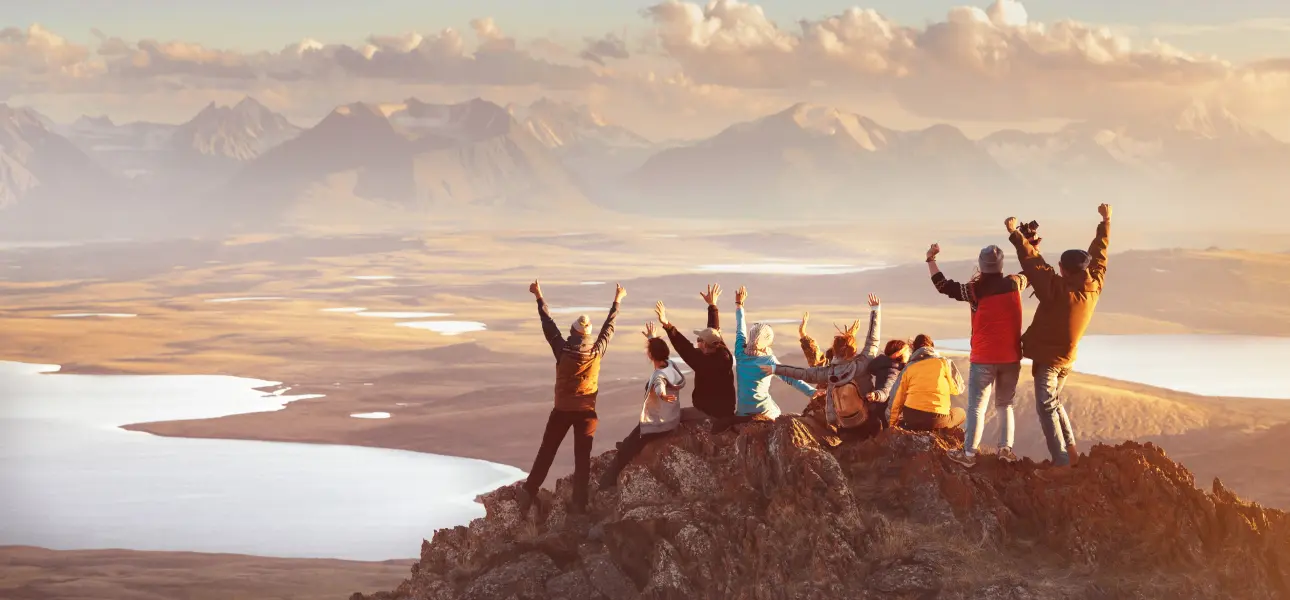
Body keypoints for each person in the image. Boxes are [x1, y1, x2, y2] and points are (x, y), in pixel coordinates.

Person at [1006, 204, 1111, 467]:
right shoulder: (1094, 285)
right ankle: (1071, 453)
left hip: (1051, 359)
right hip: (1068, 359)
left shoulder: (1057, 290)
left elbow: (1034, 265)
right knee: (1054, 402)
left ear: (1064, 269)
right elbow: (1099, 256)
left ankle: (1061, 462)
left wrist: (1016, 235)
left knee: (1046, 407)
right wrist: (1106, 221)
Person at [518, 280, 624, 513]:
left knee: (547, 451)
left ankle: (529, 491)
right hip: (587, 413)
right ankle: (579, 504)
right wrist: (617, 300)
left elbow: (548, 324)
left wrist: (539, 296)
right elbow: (609, 328)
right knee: (582, 459)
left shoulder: (562, 350)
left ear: (574, 332)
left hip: (562, 411)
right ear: (587, 334)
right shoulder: (596, 352)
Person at [925, 242, 1029, 467]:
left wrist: (931, 260)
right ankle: (1005, 450)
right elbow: (1029, 271)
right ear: (1001, 265)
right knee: (1005, 404)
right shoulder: (1015, 283)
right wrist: (1030, 244)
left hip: (983, 357)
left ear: (981, 265)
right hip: (1011, 357)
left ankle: (969, 454)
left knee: (976, 408)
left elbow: (943, 285)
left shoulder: (974, 290)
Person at [766, 294, 884, 438]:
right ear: (853, 350)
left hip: (844, 427)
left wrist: (774, 369)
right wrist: (875, 310)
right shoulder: (861, 365)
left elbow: (801, 373)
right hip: (866, 422)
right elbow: (873, 341)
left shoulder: (828, 372)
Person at [599, 325, 686, 489]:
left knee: (626, 451)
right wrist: (652, 338)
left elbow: (659, 385)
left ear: (650, 355)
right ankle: (627, 443)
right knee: (632, 436)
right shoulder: (671, 365)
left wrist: (662, 395)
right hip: (671, 418)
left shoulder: (659, 375)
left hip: (659, 424)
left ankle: (606, 482)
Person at [727, 285, 815, 423]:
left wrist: (739, 305)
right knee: (778, 412)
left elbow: (740, 329)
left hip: (743, 411)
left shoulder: (740, 352)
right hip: (763, 410)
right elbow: (791, 378)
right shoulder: (768, 360)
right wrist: (812, 392)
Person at [655, 284, 737, 419]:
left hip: (709, 413)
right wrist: (712, 305)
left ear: (704, 344)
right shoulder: (722, 351)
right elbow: (713, 331)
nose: (696, 341)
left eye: (699, 339)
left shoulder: (703, 363)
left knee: (673, 417)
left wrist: (667, 325)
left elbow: (684, 348)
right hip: (726, 410)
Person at [887, 335, 967, 431]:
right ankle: (943, 432)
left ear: (914, 348)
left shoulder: (909, 367)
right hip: (937, 419)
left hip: (911, 418)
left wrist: (892, 424)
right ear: (932, 346)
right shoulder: (944, 363)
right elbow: (958, 389)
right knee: (961, 413)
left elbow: (897, 398)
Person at [861, 338, 911, 438]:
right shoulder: (892, 371)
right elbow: (887, 389)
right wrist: (877, 395)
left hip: (878, 411)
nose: (909, 354)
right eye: (907, 352)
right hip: (886, 414)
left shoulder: (886, 366)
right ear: (899, 354)